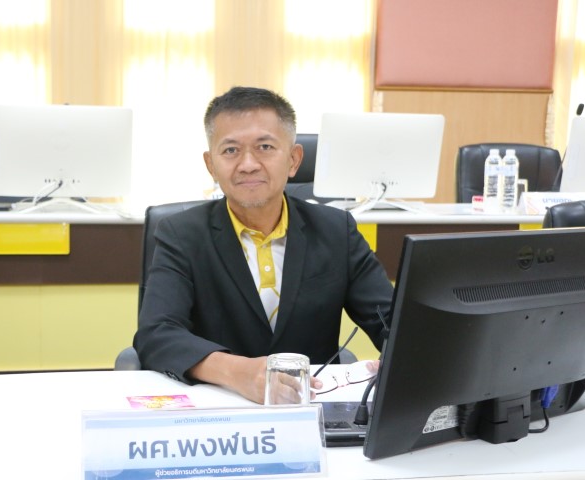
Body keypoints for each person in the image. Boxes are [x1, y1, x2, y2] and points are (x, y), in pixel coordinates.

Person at [133, 86, 393, 404]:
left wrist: (401, 359)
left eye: (265, 147)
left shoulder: (336, 230)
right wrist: (236, 372)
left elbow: (392, 321)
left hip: (312, 407)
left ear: (294, 159)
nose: (248, 164)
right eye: (230, 150)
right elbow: (157, 334)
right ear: (211, 165)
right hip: (217, 406)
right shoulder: (181, 234)